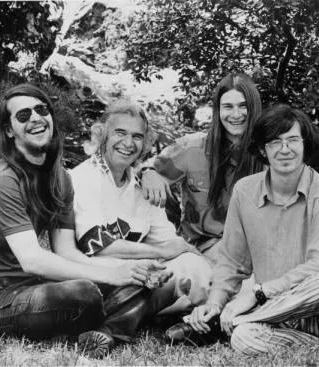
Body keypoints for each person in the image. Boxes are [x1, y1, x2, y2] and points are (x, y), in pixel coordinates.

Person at [0, 84, 167, 349]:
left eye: (41, 110)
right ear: (9, 131)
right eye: (23, 115)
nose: (35, 118)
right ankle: (108, 324)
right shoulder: (2, 180)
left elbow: (67, 252)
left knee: (141, 282)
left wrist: (126, 270)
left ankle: (102, 334)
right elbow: (32, 260)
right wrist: (113, 276)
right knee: (84, 292)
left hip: (36, 289)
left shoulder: (60, 178)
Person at [169, 104, 319, 355]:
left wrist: (258, 294)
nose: (285, 149)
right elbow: (231, 261)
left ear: (305, 145)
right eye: (274, 142)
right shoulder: (245, 191)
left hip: (316, 306)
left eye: (293, 140)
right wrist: (215, 303)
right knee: (243, 339)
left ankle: (234, 322)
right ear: (262, 149)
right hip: (273, 314)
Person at [59, 100, 215, 356]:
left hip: (139, 277)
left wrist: (196, 260)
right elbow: (98, 245)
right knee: (148, 274)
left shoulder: (142, 185)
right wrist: (158, 255)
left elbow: (171, 243)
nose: (128, 143)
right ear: (101, 135)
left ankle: (203, 317)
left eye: (137, 136)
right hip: (95, 276)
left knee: (192, 265)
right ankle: (113, 330)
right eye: (120, 133)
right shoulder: (82, 178)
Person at [140, 72, 264, 257]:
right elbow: (147, 169)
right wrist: (148, 173)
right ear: (218, 110)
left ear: (253, 108)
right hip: (202, 248)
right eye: (228, 107)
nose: (236, 114)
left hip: (255, 247)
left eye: (243, 106)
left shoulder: (268, 153)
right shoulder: (192, 148)